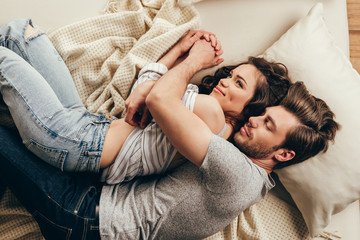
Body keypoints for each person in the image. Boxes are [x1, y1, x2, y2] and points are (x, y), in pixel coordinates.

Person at [0, 19, 338, 239]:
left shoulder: (240, 175)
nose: (254, 120)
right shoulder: (239, 160)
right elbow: (154, 100)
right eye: (263, 113)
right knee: (18, 35)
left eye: (267, 123)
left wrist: (195, 59)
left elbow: (160, 99)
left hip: (87, 219)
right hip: (92, 176)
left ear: (283, 153)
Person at [0, 19, 291, 185]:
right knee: (20, 34)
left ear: (251, 108)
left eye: (239, 84)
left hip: (76, 142)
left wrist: (194, 60)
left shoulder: (212, 117)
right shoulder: (203, 108)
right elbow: (140, 96)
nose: (224, 80)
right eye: (231, 75)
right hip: (85, 125)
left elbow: (151, 95)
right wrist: (180, 49)